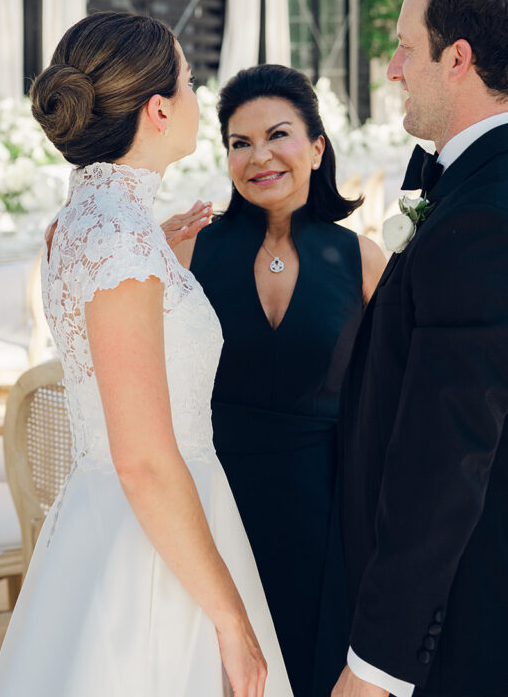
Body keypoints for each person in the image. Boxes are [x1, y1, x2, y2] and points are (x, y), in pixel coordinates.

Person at [0, 12, 293, 697]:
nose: (196, 98)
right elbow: (145, 459)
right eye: (189, 83)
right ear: (157, 110)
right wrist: (231, 623)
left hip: (125, 522)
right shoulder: (119, 240)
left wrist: (162, 258)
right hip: (147, 548)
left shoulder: (96, 220)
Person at [334, 0, 508, 697]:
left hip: (480, 621)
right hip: (468, 604)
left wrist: (373, 665)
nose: (392, 68)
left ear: (459, 59)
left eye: (407, 47)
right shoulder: (495, 187)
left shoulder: (490, 221)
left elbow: (445, 463)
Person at [164, 64, 386, 697]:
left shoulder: (363, 260)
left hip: (328, 517)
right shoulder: (189, 252)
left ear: (317, 147)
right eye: (239, 142)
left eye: (278, 135)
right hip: (217, 503)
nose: (258, 155)